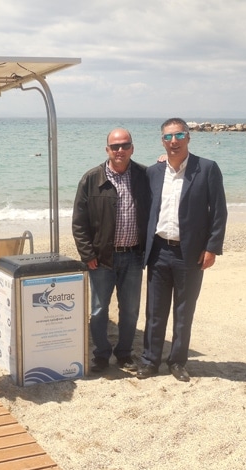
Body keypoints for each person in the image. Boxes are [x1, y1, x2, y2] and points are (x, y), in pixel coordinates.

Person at [137, 118, 227, 382]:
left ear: (188, 137)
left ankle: (177, 362)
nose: (173, 141)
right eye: (168, 137)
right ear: (162, 141)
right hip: (158, 250)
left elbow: (219, 211)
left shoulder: (207, 169)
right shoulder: (154, 172)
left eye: (178, 135)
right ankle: (150, 361)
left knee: (183, 312)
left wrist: (212, 247)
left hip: (190, 253)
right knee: (155, 311)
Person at [72, 128, 150, 373]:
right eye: (115, 146)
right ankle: (102, 354)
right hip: (101, 259)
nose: (120, 150)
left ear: (132, 148)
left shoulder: (145, 176)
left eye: (125, 145)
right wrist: (88, 255)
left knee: (130, 310)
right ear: (107, 149)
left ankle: (124, 353)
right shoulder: (91, 179)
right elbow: (79, 222)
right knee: (98, 310)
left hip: (134, 256)